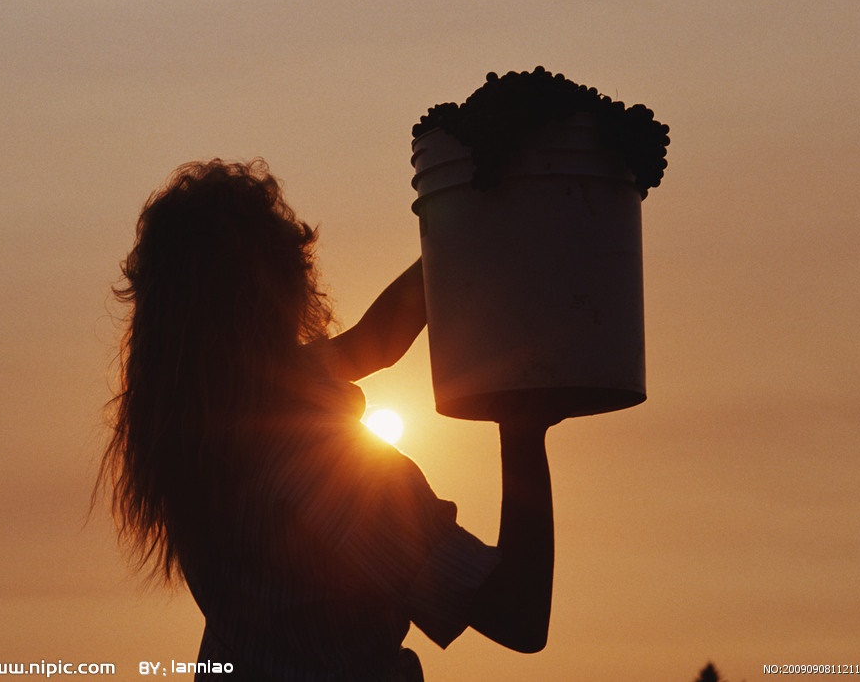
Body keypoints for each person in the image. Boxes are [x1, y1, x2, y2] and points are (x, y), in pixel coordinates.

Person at [98, 159, 555, 681]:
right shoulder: (321, 468)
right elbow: (518, 616)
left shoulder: (198, 434)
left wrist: (460, 232)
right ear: (275, 287)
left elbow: (373, 342)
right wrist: (523, 431)